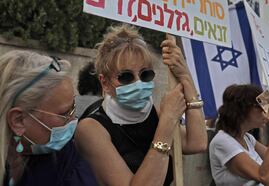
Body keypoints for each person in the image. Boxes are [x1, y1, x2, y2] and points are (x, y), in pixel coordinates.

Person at [75, 25, 207, 185]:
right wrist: (167, 123)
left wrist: (185, 76)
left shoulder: (152, 113)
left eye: (145, 74)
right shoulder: (91, 128)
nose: (138, 82)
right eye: (125, 77)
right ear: (105, 82)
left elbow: (196, 142)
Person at [0, 50, 97, 186]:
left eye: (73, 107)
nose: (73, 119)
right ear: (18, 120)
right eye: (64, 114)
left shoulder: (63, 155)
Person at [209, 84, 269, 186]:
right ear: (244, 109)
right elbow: (266, 177)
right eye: (263, 107)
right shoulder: (222, 141)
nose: (267, 112)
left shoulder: (248, 138)